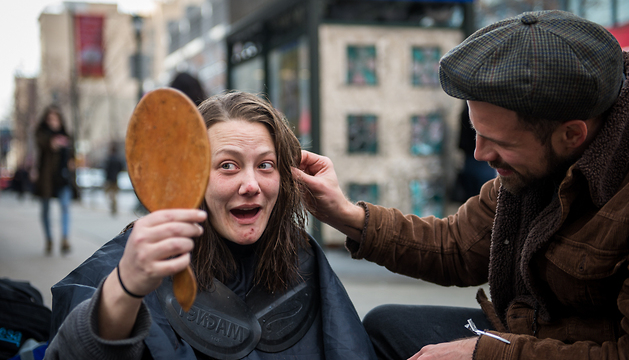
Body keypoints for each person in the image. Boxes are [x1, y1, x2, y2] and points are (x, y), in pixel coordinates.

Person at [295, 10, 629, 360]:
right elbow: (457, 245)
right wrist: (345, 215)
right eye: (476, 133)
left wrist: (485, 354)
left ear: (571, 134)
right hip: (530, 331)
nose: (478, 154)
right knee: (387, 325)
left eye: (499, 142)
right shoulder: (539, 164)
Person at [45, 91, 376, 359]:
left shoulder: (298, 254)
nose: (251, 184)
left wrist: (348, 215)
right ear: (193, 177)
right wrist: (125, 288)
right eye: (228, 165)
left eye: (265, 165)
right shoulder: (133, 260)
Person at [34, 105, 78, 255]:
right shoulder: (42, 134)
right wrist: (52, 143)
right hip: (47, 179)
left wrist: (72, 161)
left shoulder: (66, 135)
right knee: (45, 210)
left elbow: (72, 153)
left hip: (63, 178)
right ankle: (48, 239)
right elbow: (42, 143)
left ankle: (65, 238)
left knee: (65, 207)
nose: (53, 121)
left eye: (56, 118)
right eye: (50, 118)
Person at [103, 143, 124, 215]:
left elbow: (105, 169)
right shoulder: (118, 159)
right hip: (115, 179)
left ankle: (113, 207)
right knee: (114, 194)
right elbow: (121, 168)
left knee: (110, 194)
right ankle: (114, 207)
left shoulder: (108, 159)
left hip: (109, 179)